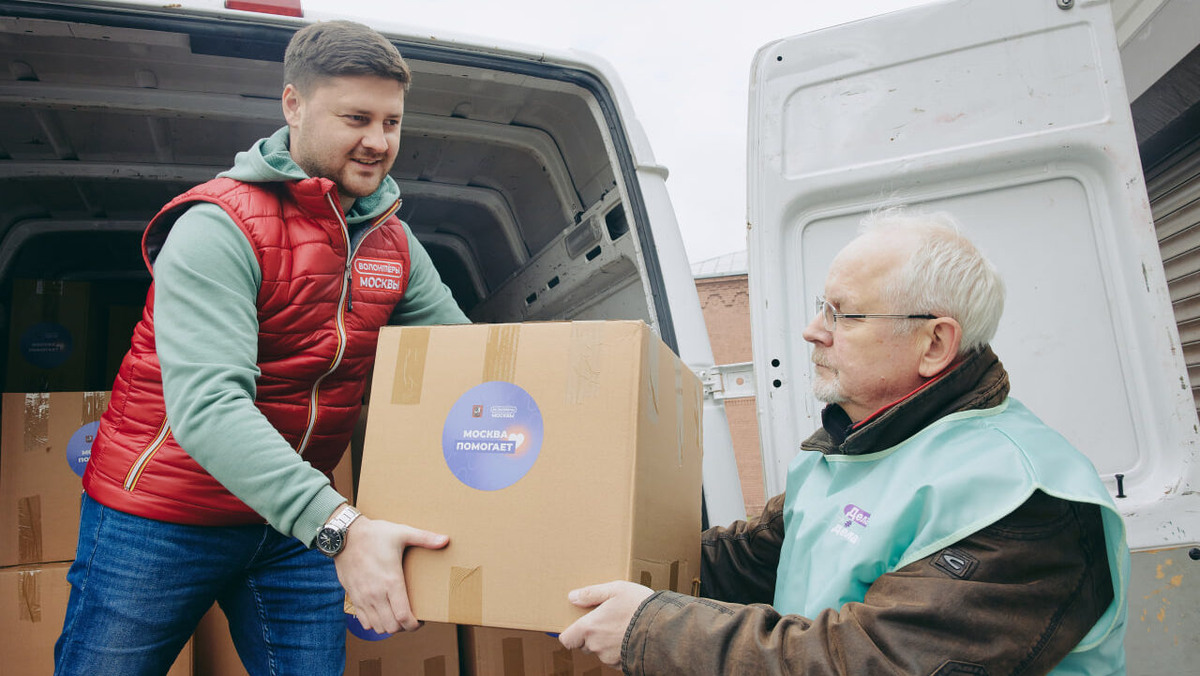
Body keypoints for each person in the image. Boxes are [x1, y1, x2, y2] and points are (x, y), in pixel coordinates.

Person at [54, 20, 468, 675]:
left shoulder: (393, 244)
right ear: (293, 105)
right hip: (161, 517)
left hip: (293, 523)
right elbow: (209, 409)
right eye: (357, 117)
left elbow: (466, 363)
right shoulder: (217, 227)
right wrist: (343, 528)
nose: (378, 141)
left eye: (392, 122)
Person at [560, 210, 1130, 674]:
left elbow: (869, 661)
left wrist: (652, 629)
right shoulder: (853, 451)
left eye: (843, 314)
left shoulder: (1023, 498)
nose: (814, 329)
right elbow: (748, 559)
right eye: (820, 306)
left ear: (934, 343)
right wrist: (561, 553)